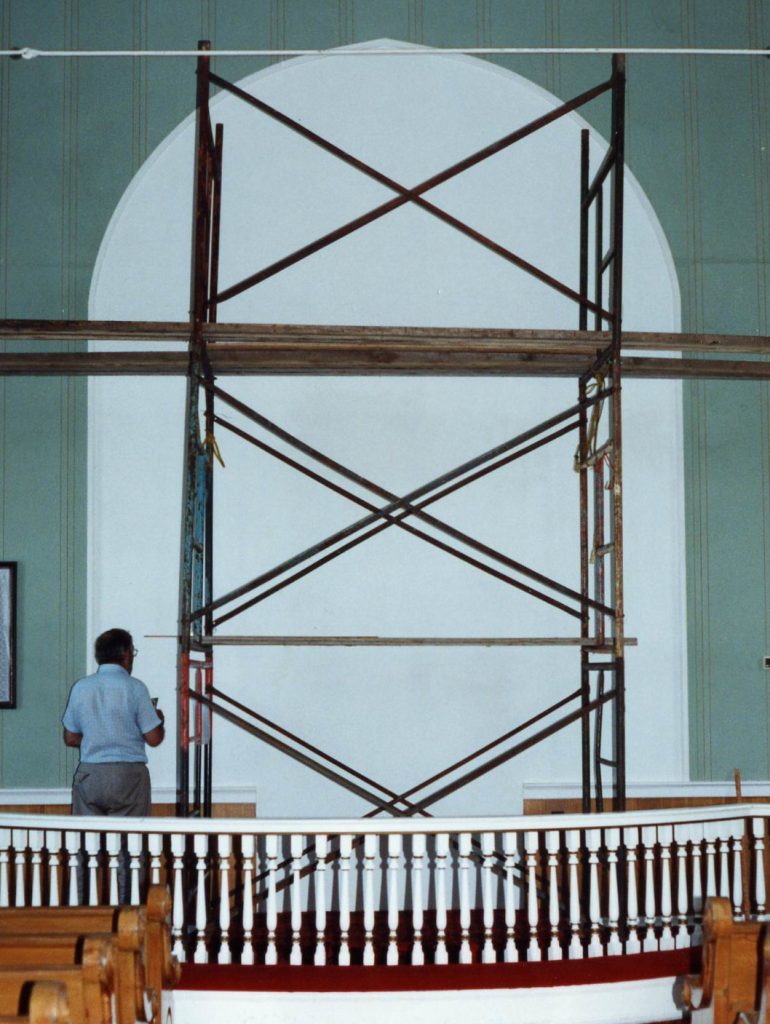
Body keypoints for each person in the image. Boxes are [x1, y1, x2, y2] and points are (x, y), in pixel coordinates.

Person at [62, 627, 164, 816]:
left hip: (89, 773)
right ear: (125, 654)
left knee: (88, 841)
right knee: (128, 841)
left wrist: (98, 739)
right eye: (132, 651)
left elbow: (70, 738)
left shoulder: (81, 688)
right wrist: (159, 721)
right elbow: (154, 738)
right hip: (129, 776)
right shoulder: (136, 688)